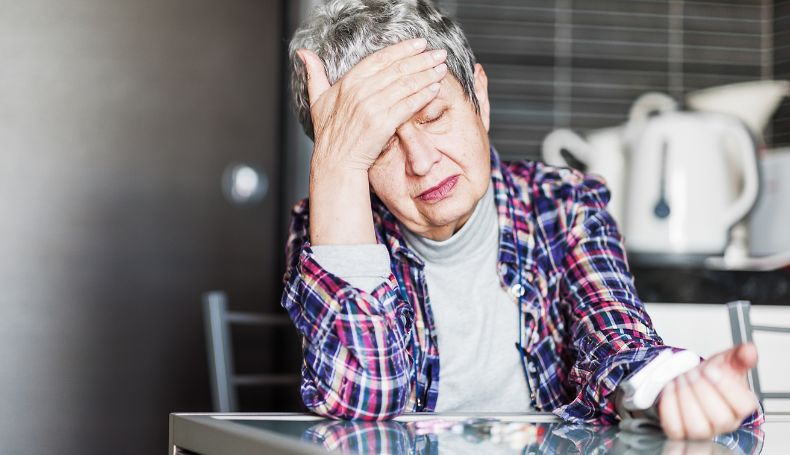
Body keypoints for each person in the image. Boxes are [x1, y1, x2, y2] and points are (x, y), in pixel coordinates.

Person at [280, 0, 762, 440]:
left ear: (480, 99)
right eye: (379, 144)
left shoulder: (564, 203)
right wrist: (337, 165)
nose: (422, 161)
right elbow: (364, 398)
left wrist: (672, 385)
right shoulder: (330, 223)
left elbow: (616, 337)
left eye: (433, 116)